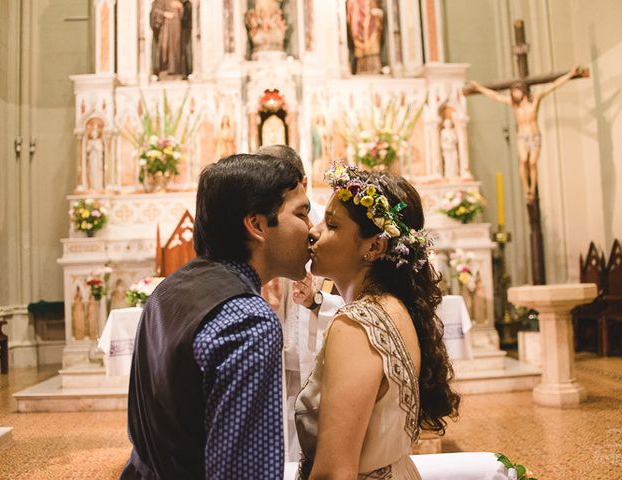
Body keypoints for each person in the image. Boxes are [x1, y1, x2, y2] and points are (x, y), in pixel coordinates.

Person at [121, 153, 312, 479]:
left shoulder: (168, 289)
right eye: (302, 214)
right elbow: (243, 470)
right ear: (257, 225)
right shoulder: (249, 321)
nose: (312, 230)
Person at [296, 164, 460, 479]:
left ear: (374, 247)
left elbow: (334, 472)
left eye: (331, 225)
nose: (313, 231)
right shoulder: (394, 306)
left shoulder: (356, 325)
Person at [256, 144, 345, 461]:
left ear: (303, 184)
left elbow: (357, 303)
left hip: (317, 353)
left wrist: (316, 301)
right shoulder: (260, 225)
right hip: (274, 358)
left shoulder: (331, 228)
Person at [468, 66, 582, 202]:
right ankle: (526, 189)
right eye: (513, 92)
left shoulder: (534, 102)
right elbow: (495, 96)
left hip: (534, 136)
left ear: (522, 91)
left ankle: (532, 190)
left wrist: (570, 74)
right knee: (523, 160)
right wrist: (479, 88)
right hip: (522, 136)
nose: (514, 94)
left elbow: (553, 86)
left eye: (516, 91)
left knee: (533, 163)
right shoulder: (514, 105)